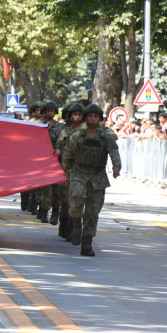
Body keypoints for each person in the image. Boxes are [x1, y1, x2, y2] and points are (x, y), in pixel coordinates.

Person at [62, 104, 121, 256]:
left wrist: (116, 168)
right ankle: (76, 224)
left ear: (99, 119)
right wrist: (67, 174)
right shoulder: (78, 134)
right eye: (90, 116)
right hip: (78, 172)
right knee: (76, 195)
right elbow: (67, 154)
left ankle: (87, 243)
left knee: (93, 211)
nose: (93, 118)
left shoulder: (105, 136)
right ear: (86, 118)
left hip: (97, 175)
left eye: (96, 116)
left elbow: (114, 151)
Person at [55, 103, 84, 241]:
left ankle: (74, 228)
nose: (77, 116)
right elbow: (57, 147)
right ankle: (64, 227)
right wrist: (58, 151)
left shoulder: (87, 131)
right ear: (70, 116)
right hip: (66, 169)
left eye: (79, 114)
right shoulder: (65, 132)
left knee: (78, 201)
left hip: (82, 171)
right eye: (75, 114)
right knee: (65, 200)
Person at [37, 101, 61, 224]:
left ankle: (47, 211)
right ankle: (42, 208)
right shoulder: (38, 125)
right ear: (44, 112)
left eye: (52, 111)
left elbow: (61, 141)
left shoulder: (59, 127)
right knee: (42, 189)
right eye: (48, 111)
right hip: (40, 161)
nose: (50, 113)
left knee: (53, 190)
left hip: (54, 161)